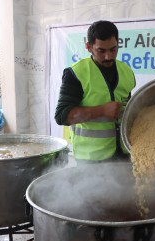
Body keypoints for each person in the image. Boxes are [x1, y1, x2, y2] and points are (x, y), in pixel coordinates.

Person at [55, 20, 136, 163]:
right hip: (91, 160)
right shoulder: (76, 73)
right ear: (89, 47)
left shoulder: (127, 72)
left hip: (125, 154)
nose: (108, 56)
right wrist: (102, 111)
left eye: (113, 49)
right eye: (101, 50)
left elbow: (127, 109)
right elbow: (62, 116)